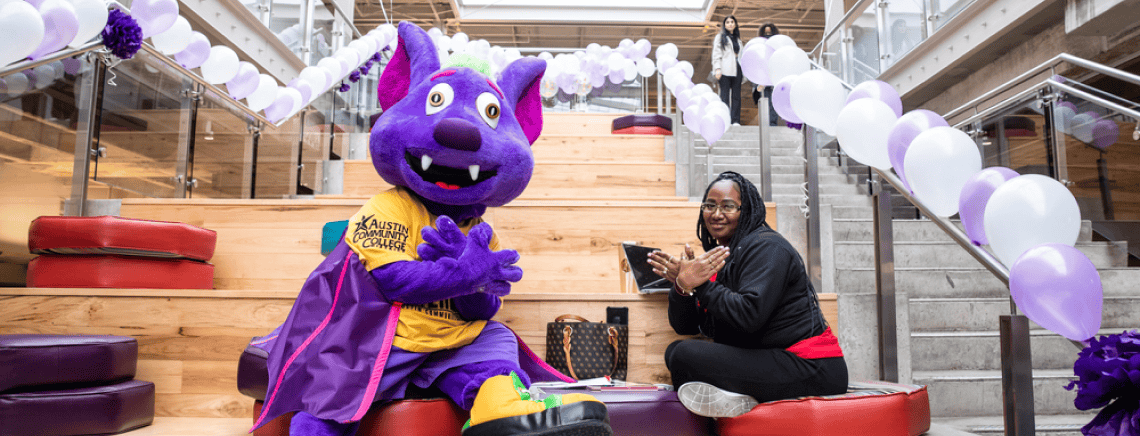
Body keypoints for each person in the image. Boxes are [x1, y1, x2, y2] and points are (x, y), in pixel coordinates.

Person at [646, 171, 848, 418]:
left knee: (682, 355)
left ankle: (737, 399)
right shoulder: (726, 254)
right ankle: (736, 397)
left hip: (811, 366)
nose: (716, 214)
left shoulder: (769, 247)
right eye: (710, 205)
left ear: (747, 210)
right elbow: (685, 325)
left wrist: (701, 285)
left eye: (728, 206)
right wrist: (682, 285)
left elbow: (749, 317)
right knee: (675, 352)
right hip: (770, 357)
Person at [712, 15, 744, 126]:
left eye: (732, 22)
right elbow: (716, 54)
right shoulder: (720, 37)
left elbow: (741, 55)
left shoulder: (738, 39)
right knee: (724, 95)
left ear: (735, 24)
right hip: (724, 69)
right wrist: (717, 68)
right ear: (724, 25)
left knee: (736, 96)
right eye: (727, 22)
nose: (730, 24)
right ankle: (724, 119)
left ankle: (735, 120)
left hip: (737, 69)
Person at [752, 23, 781, 126]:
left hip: (774, 77)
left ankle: (773, 123)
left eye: (770, 33)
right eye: (766, 33)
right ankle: (766, 124)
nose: (768, 35)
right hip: (763, 77)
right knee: (765, 100)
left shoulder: (777, 47)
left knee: (774, 102)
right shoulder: (759, 47)